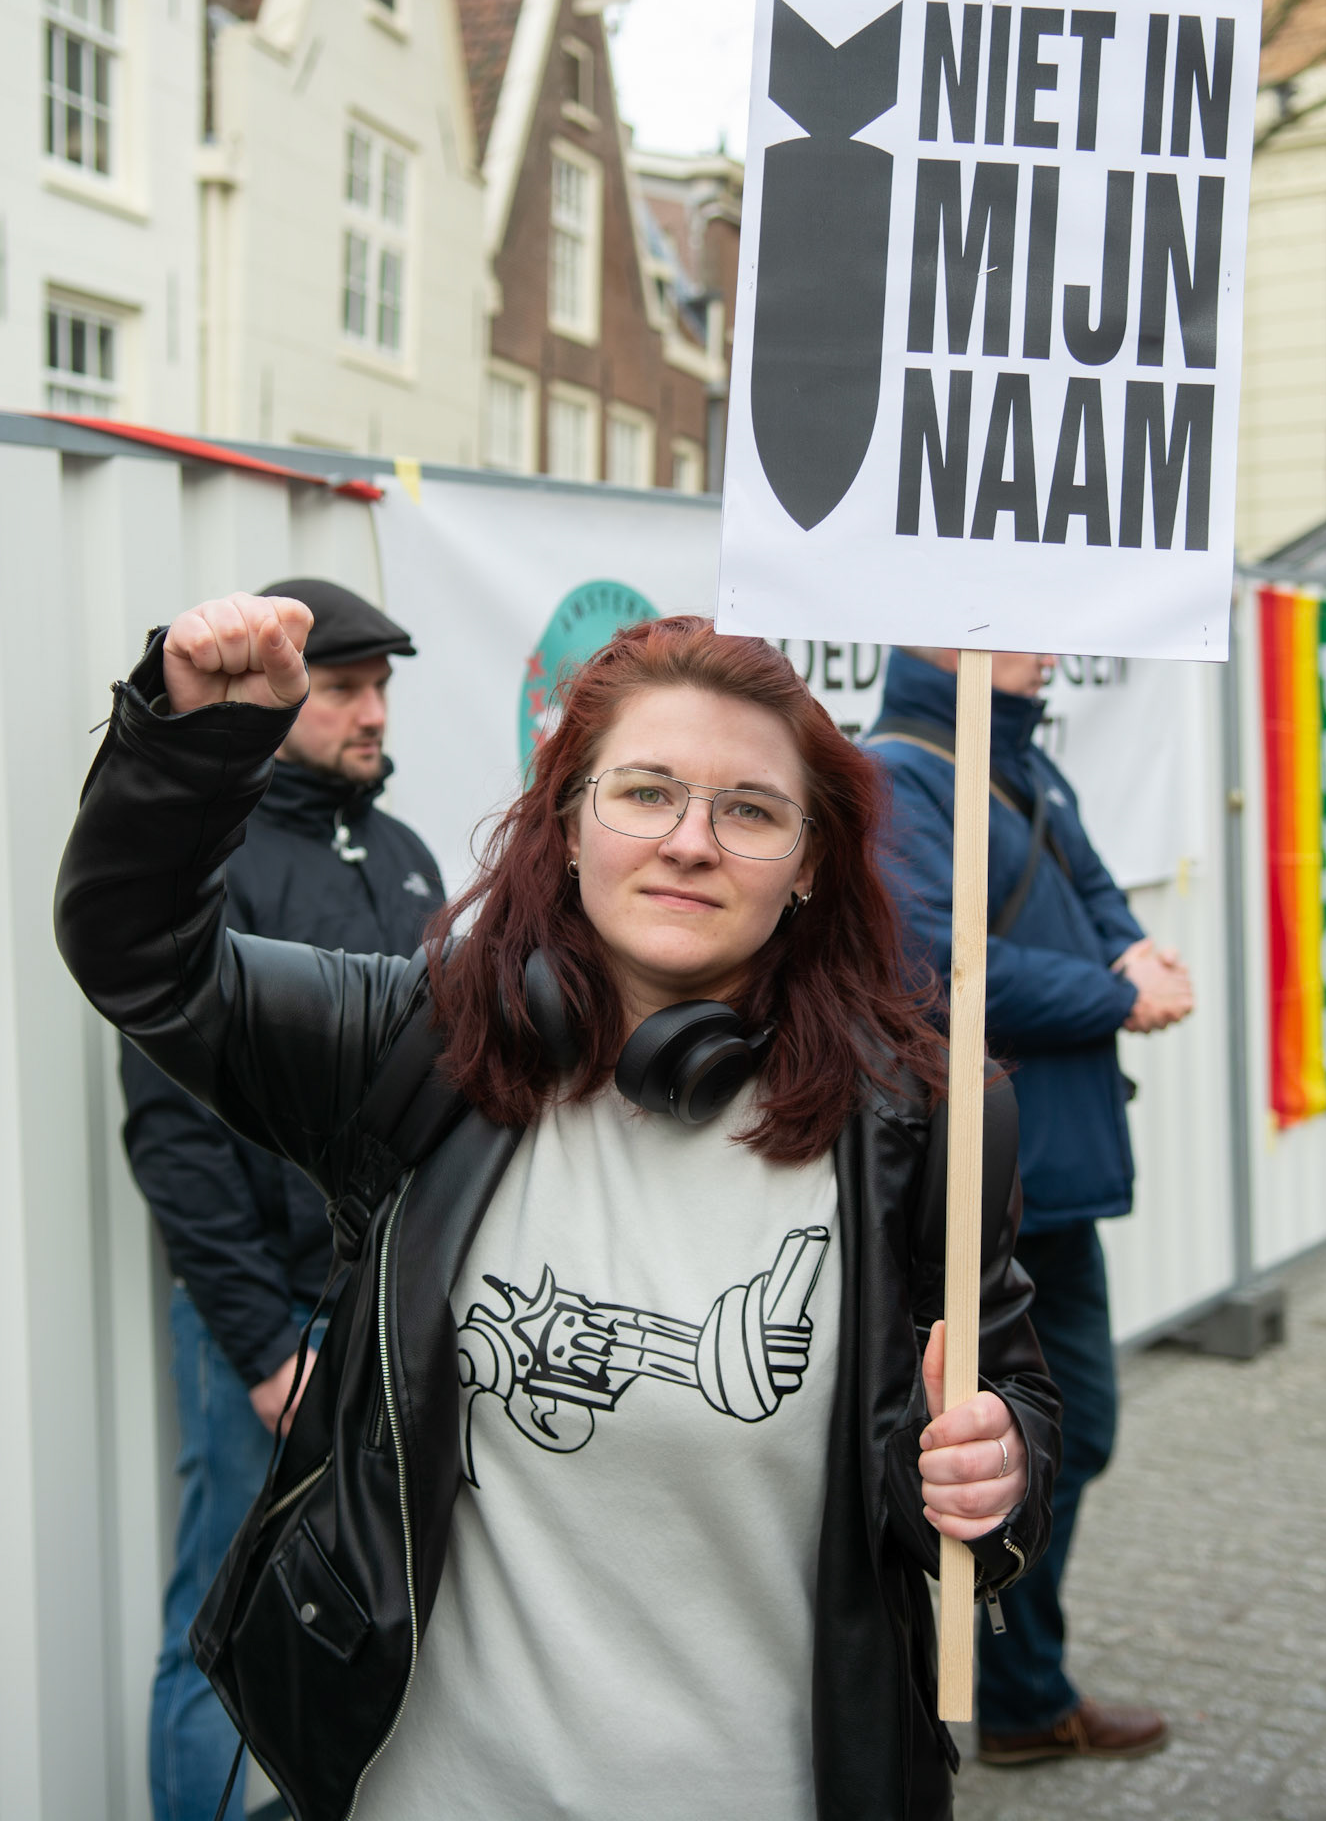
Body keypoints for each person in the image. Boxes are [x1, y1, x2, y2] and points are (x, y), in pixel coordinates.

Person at [58, 594, 1061, 1821]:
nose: (690, 840)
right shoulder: (420, 1048)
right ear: (570, 824)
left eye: (750, 809)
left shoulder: (921, 1119)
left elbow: (1007, 1405)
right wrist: (195, 743)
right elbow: (141, 954)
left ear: (809, 863)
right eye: (645, 791)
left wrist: (996, 1473)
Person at [119, 578, 443, 1821]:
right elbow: (173, 1133)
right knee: (224, 1614)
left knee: (374, 1602)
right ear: (285, 694)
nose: (372, 713)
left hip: (386, 1309)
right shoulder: (220, 862)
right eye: (345, 689)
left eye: (381, 688)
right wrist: (261, 1345)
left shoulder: (405, 854)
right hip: (265, 1330)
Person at [867, 645, 1194, 1767]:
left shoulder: (1028, 764)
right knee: (1011, 1452)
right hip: (988, 1187)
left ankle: (1017, 1684)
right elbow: (934, 962)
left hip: (1057, 1175)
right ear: (936, 633)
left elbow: (1097, 891)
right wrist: (1116, 995)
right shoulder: (896, 774)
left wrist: (1136, 953)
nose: (1050, 648)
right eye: (1022, 627)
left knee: (1070, 1434)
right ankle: (1015, 1696)